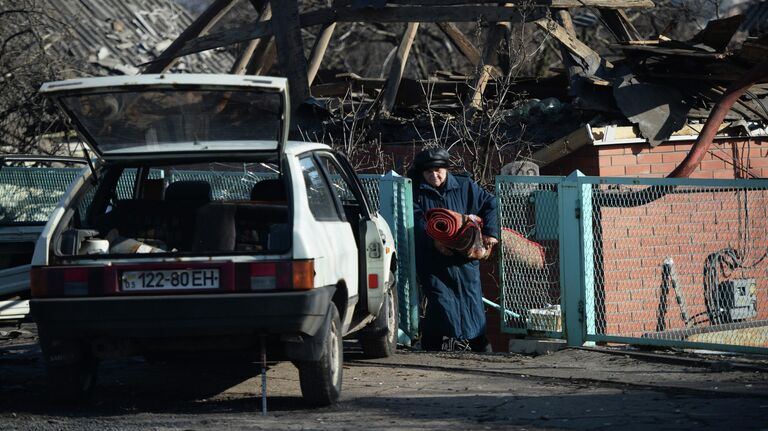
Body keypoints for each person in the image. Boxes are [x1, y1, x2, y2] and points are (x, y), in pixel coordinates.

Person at [408, 148, 499, 352]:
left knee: (471, 301)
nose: (434, 175)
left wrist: (491, 234)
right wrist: (435, 241)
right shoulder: (414, 191)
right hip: (433, 261)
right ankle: (433, 347)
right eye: (428, 172)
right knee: (441, 301)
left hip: (464, 260)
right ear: (422, 173)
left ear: (447, 169)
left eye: (438, 170)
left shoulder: (465, 186)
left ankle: (481, 347)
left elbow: (490, 203)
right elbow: (415, 220)